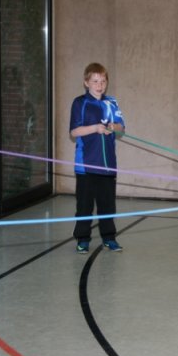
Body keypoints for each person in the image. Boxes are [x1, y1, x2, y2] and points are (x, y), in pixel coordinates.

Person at [69, 62, 125, 254]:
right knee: (84, 206)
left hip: (107, 165)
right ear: (86, 82)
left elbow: (121, 128)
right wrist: (95, 128)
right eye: (95, 81)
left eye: (103, 81)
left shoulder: (112, 102)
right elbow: (74, 131)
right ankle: (83, 239)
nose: (99, 85)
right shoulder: (80, 102)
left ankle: (109, 238)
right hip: (86, 165)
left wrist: (113, 127)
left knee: (107, 205)